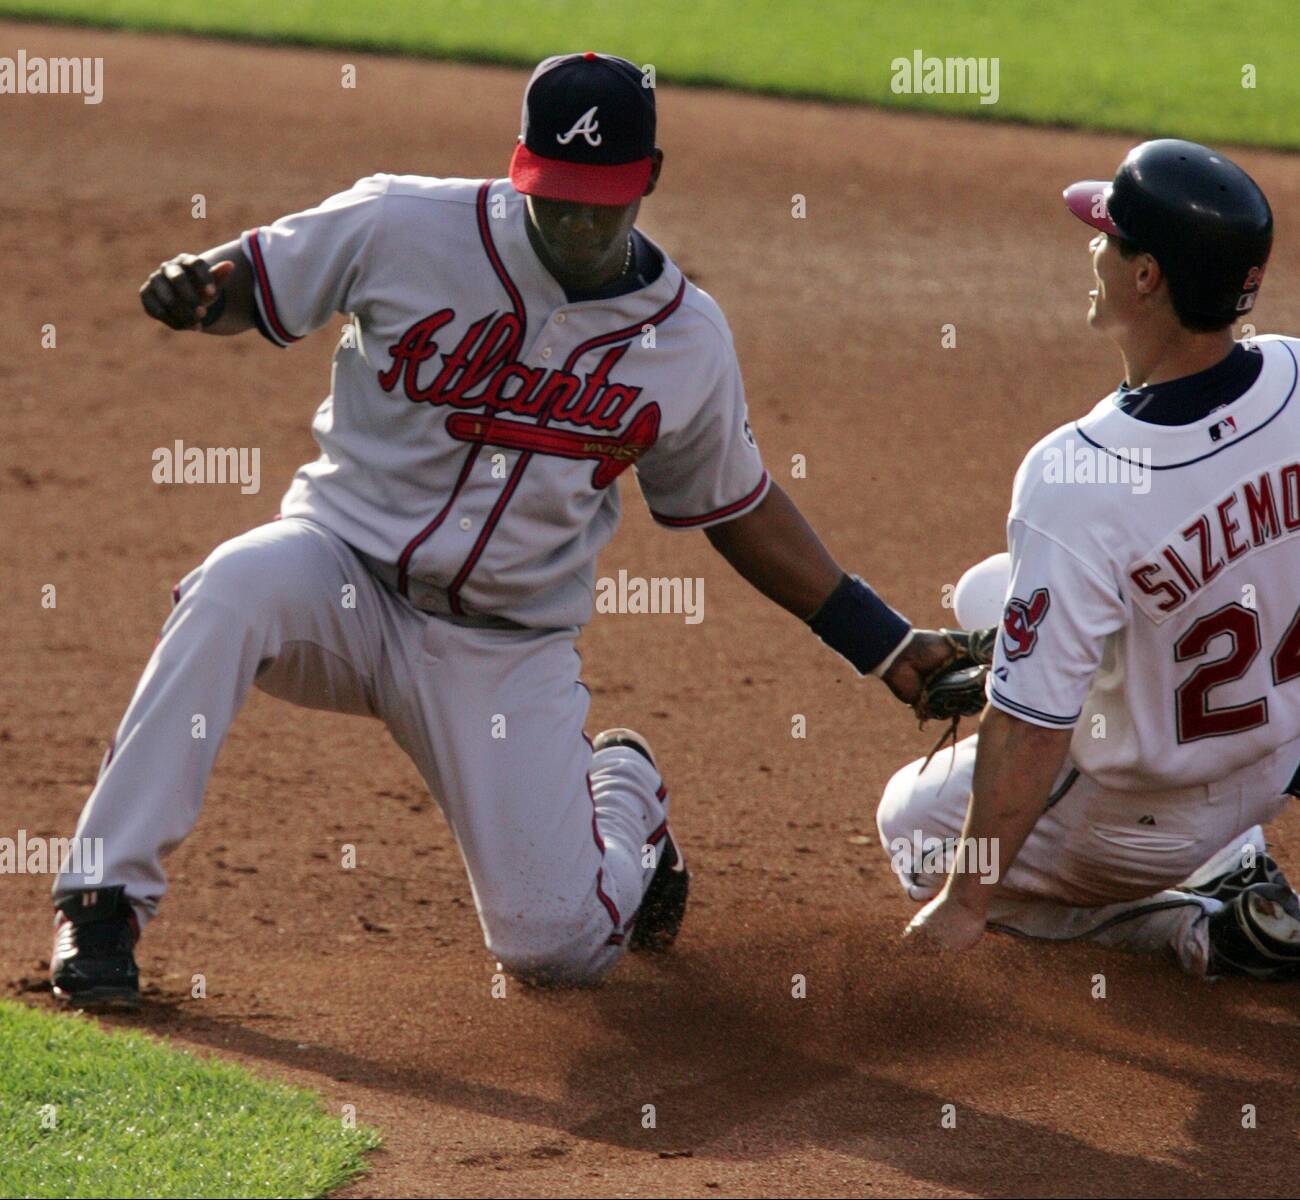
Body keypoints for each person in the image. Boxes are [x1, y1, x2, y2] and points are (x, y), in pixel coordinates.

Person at [51, 51, 952, 1007]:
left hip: (500, 650)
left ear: (648, 179)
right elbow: (254, 282)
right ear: (519, 164)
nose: (573, 220)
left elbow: (735, 507)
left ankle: (626, 794)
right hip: (339, 582)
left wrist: (879, 638)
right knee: (231, 586)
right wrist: (203, 294)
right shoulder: (400, 221)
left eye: (600, 201)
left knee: (555, 950)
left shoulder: (687, 340)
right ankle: (103, 900)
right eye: (554, 195)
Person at [878, 139, 1300, 980]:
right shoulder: (1295, 373)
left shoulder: (1079, 475)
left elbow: (1031, 729)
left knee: (909, 825)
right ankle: (1236, 857)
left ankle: (1194, 924)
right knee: (986, 594)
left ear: (1147, 277)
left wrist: (962, 907)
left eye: (1108, 236)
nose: (1093, 249)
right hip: (1271, 763)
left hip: (1139, 825)